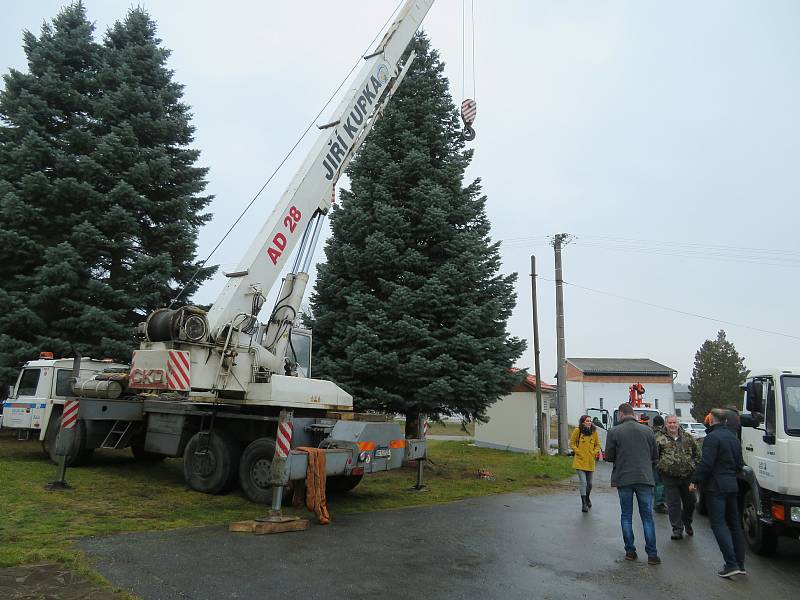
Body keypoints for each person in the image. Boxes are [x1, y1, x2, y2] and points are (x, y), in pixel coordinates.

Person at [690, 409, 747, 578]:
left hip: (716, 487)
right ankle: (741, 564)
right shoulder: (733, 438)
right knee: (735, 525)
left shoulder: (712, 438)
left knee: (718, 524)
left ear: (713, 420)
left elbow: (706, 463)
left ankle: (731, 563)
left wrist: (695, 480)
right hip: (732, 485)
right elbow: (740, 464)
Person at [604, 402, 660, 565]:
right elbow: (655, 456)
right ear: (633, 414)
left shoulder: (614, 431)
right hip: (645, 478)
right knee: (647, 517)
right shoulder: (648, 431)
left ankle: (630, 551)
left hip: (624, 478)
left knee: (626, 516)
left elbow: (609, 457)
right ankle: (652, 555)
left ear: (621, 414)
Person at [655, 415, 701, 540]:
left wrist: (694, 467)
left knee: (690, 501)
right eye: (669, 423)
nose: (672, 425)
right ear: (666, 424)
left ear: (678, 423)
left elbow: (697, 454)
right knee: (673, 503)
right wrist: (660, 467)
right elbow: (654, 456)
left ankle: (687, 522)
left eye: (674, 422)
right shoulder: (659, 438)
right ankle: (677, 528)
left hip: (687, 475)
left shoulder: (687, 437)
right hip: (669, 476)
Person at [570, 414, 602, 513]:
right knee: (583, 482)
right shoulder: (577, 431)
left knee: (590, 483)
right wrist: (578, 452)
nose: (589, 422)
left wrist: (594, 452)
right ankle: (584, 503)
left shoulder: (594, 432)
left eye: (590, 421)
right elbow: (572, 443)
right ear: (583, 422)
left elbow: (598, 445)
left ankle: (587, 497)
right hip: (580, 461)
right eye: (587, 421)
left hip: (590, 461)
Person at [651, 415, 668, 514]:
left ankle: (658, 502)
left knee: (657, 483)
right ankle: (659, 504)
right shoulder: (661, 434)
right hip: (659, 462)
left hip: (652, 462)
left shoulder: (650, 432)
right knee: (661, 483)